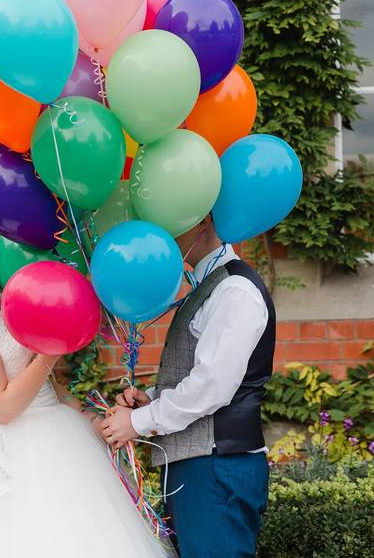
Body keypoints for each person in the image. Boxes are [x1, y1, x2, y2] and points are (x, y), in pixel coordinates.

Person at [0, 214, 174, 558]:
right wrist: (50, 352)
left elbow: (52, 390)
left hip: (64, 441)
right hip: (9, 458)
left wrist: (97, 424)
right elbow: (4, 407)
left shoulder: (12, 306)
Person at [101, 214, 275, 558]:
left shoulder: (235, 290)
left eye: (168, 217)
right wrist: (148, 400)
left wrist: (136, 423)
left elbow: (212, 386)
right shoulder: (209, 283)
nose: (158, 232)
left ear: (202, 220)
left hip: (216, 466)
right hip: (199, 464)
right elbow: (199, 375)